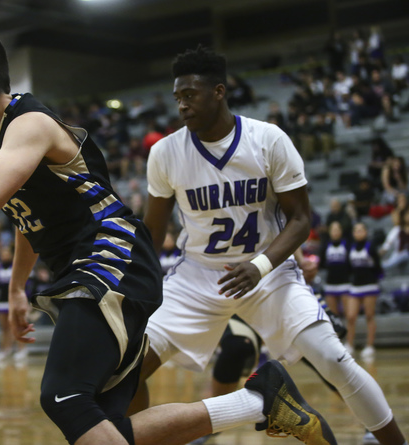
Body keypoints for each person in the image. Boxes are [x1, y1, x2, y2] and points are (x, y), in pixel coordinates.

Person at [0, 31, 337, 445]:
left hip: (111, 255)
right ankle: (259, 400)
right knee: (107, 426)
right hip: (94, 269)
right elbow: (25, 215)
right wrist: (17, 287)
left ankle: (261, 400)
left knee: (62, 397)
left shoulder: (29, 123)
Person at [133, 46, 405, 445]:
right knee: (126, 368)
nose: (182, 106)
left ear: (219, 91)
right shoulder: (165, 152)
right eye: (178, 98)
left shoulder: (268, 139)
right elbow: (151, 233)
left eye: (189, 95)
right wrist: (133, 287)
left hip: (268, 273)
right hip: (197, 277)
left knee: (333, 359)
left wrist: (259, 266)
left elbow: (300, 219)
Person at [345, 222, 382, 362]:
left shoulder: (371, 247)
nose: (358, 232)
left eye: (361, 230)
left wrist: (374, 279)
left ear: (365, 232)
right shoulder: (351, 247)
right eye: (356, 230)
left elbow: (378, 267)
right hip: (355, 286)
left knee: (369, 315)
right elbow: (349, 267)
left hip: (370, 286)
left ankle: (370, 346)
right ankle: (349, 344)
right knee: (350, 316)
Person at [319, 222, 351, 318]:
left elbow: (350, 263)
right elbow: (322, 263)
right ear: (329, 232)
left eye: (337, 230)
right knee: (333, 316)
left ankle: (350, 333)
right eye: (333, 230)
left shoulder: (347, 244)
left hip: (344, 282)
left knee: (348, 315)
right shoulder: (326, 245)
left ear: (341, 231)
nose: (335, 232)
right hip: (330, 283)